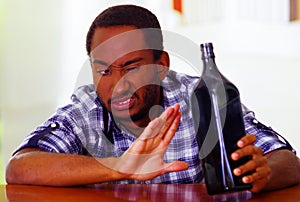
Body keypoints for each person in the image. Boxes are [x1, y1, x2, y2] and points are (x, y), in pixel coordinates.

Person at [6, 4, 300, 193]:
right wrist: (120, 166)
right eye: (103, 70)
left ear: (162, 66)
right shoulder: (87, 107)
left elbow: (288, 161)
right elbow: (20, 167)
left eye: (132, 67)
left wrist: (264, 172)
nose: (117, 84)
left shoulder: (199, 97)